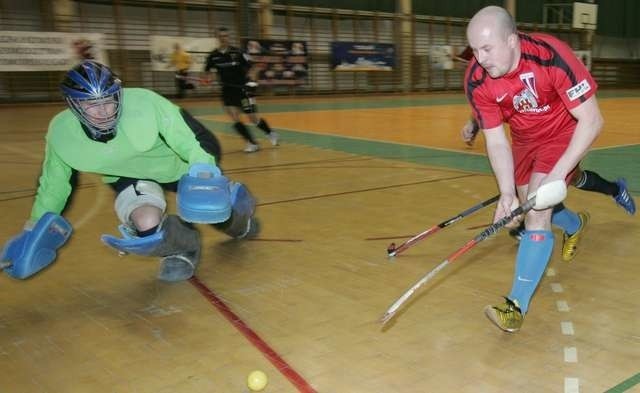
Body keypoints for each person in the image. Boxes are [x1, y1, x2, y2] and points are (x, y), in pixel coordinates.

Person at [1, 61, 256, 282]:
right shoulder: (61, 132)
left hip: (179, 163)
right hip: (128, 176)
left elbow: (188, 140)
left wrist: (205, 173)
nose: (103, 111)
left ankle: (238, 217)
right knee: (146, 224)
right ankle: (183, 248)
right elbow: (54, 184)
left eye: (108, 101)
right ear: (73, 105)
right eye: (91, 105)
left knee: (211, 210)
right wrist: (33, 228)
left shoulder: (145, 102)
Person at [464, 6, 610, 332]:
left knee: (536, 212)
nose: (480, 58)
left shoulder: (550, 55)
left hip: (563, 133)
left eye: (487, 48)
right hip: (523, 140)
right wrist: (505, 193)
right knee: (526, 201)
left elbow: (592, 120)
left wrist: (559, 174)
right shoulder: (477, 78)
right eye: (474, 49)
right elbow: (496, 140)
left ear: (513, 40)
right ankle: (574, 223)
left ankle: (515, 306)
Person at [204, 27, 278, 153]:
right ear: (217, 37)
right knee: (234, 117)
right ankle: (252, 143)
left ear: (228, 37)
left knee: (253, 118)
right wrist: (208, 78)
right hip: (227, 91)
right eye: (221, 36)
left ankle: (270, 133)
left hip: (242, 90)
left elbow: (254, 68)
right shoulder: (213, 56)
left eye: (226, 36)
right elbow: (207, 72)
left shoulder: (238, 53)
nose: (223, 38)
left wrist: (251, 83)